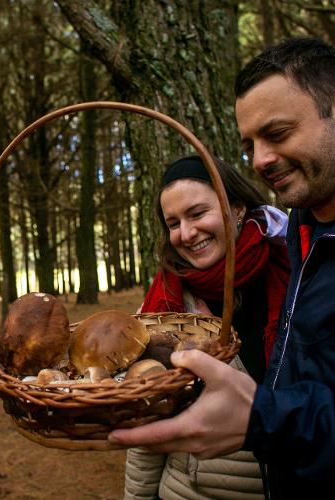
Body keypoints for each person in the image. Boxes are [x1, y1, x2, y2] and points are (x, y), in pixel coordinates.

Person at [109, 37, 335, 499]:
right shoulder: (304, 234)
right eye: (249, 144)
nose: (260, 160)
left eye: (278, 133)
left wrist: (268, 421)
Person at [124, 154, 290, 499]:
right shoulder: (163, 307)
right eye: (173, 223)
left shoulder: (294, 278)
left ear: (238, 208)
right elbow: (147, 421)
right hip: (184, 491)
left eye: (198, 213)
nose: (186, 233)